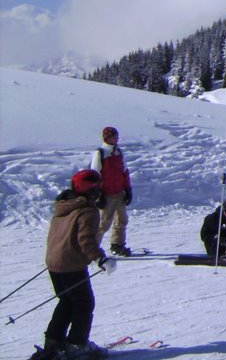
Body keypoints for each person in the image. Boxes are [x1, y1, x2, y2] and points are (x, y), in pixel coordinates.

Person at [34, 169, 111, 360]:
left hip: (54, 262)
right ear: (92, 190)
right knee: (84, 303)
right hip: (71, 264)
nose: (100, 191)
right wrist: (100, 258)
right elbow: (86, 239)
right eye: (97, 187)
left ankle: (54, 341)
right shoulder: (87, 211)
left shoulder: (63, 206)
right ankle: (77, 345)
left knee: (67, 301)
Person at [89, 126, 133, 256]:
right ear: (107, 138)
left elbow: (124, 171)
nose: (117, 139)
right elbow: (95, 174)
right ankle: (92, 249)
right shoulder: (101, 153)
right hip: (106, 194)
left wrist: (128, 189)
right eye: (114, 137)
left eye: (117, 137)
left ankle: (117, 244)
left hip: (119, 192)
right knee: (103, 223)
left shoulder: (118, 151)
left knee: (121, 220)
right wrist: (98, 194)